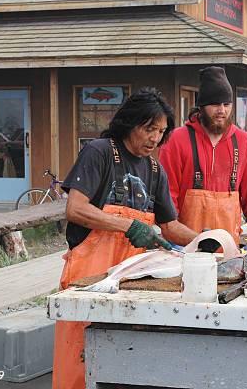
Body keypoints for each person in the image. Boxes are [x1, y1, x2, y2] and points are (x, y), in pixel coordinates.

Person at [53, 88, 197, 389]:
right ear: (130, 122)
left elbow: (169, 225)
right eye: (149, 129)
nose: (155, 138)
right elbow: (75, 209)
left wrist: (206, 241)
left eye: (161, 131)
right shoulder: (100, 152)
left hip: (132, 283)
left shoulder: (155, 169)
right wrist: (128, 225)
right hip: (88, 279)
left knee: (125, 362)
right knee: (79, 360)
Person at [160, 66, 247, 252]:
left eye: (227, 105)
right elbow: (165, 197)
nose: (221, 111)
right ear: (201, 106)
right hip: (185, 250)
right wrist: (173, 240)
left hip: (230, 252)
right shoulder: (176, 140)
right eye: (215, 105)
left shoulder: (244, 142)